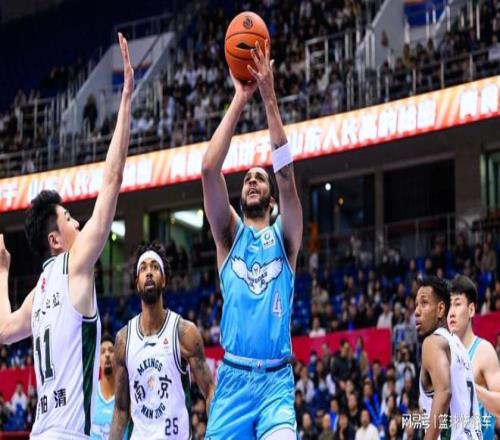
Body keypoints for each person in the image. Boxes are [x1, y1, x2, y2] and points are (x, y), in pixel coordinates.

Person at [0, 33, 133, 439]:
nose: (78, 223)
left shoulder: (37, 294)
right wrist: (127, 98)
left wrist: (2, 272)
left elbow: (4, 330)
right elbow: (111, 180)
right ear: (55, 241)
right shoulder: (75, 265)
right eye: (69, 219)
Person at [202, 39, 302, 439]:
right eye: (247, 179)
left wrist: (268, 96)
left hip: (276, 382)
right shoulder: (229, 237)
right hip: (233, 379)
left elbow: (287, 178)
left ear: (272, 201)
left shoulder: (286, 238)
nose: (252, 181)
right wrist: (240, 99)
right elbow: (209, 170)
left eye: (260, 178)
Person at [110, 242, 214, 439]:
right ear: (137, 283)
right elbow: (121, 410)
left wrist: (216, 434)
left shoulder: (184, 332)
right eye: (143, 268)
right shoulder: (123, 339)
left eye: (155, 267)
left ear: (164, 280)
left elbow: (209, 390)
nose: (149, 272)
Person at [415, 276, 482, 439]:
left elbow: (444, 393)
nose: (416, 311)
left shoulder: (432, 342)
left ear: (440, 309)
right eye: (416, 304)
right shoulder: (459, 347)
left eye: (424, 303)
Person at [447, 275, 497, 439]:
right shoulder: (444, 357)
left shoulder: (484, 351)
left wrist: (472, 387)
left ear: (471, 310)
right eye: (448, 305)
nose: (451, 312)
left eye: (457, 304)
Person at [91, 335, 129, 439]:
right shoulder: (90, 394)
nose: (107, 355)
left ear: (117, 358)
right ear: (97, 361)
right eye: (102, 352)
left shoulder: (126, 395)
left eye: (111, 351)